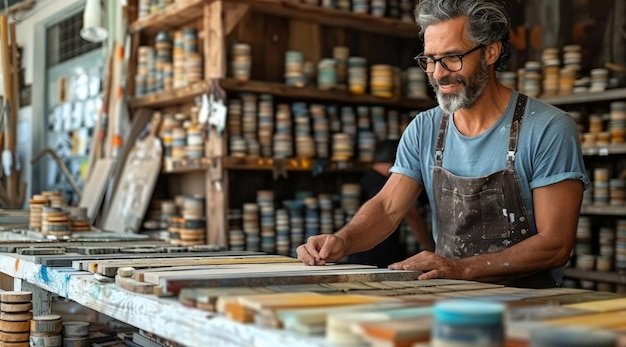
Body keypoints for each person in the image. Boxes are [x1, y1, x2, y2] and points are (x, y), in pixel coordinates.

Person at [297, 0, 589, 289]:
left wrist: (460, 268)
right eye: (429, 60)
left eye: (452, 57)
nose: (438, 74)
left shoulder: (548, 128)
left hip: (529, 308)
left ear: (490, 51)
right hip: (450, 300)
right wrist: (343, 240)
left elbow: (556, 244)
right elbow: (387, 208)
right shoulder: (424, 128)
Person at [348, 140, 434, 268]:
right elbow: (411, 215)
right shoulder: (383, 183)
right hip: (377, 252)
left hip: (365, 250)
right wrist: (429, 247)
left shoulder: (369, 178)